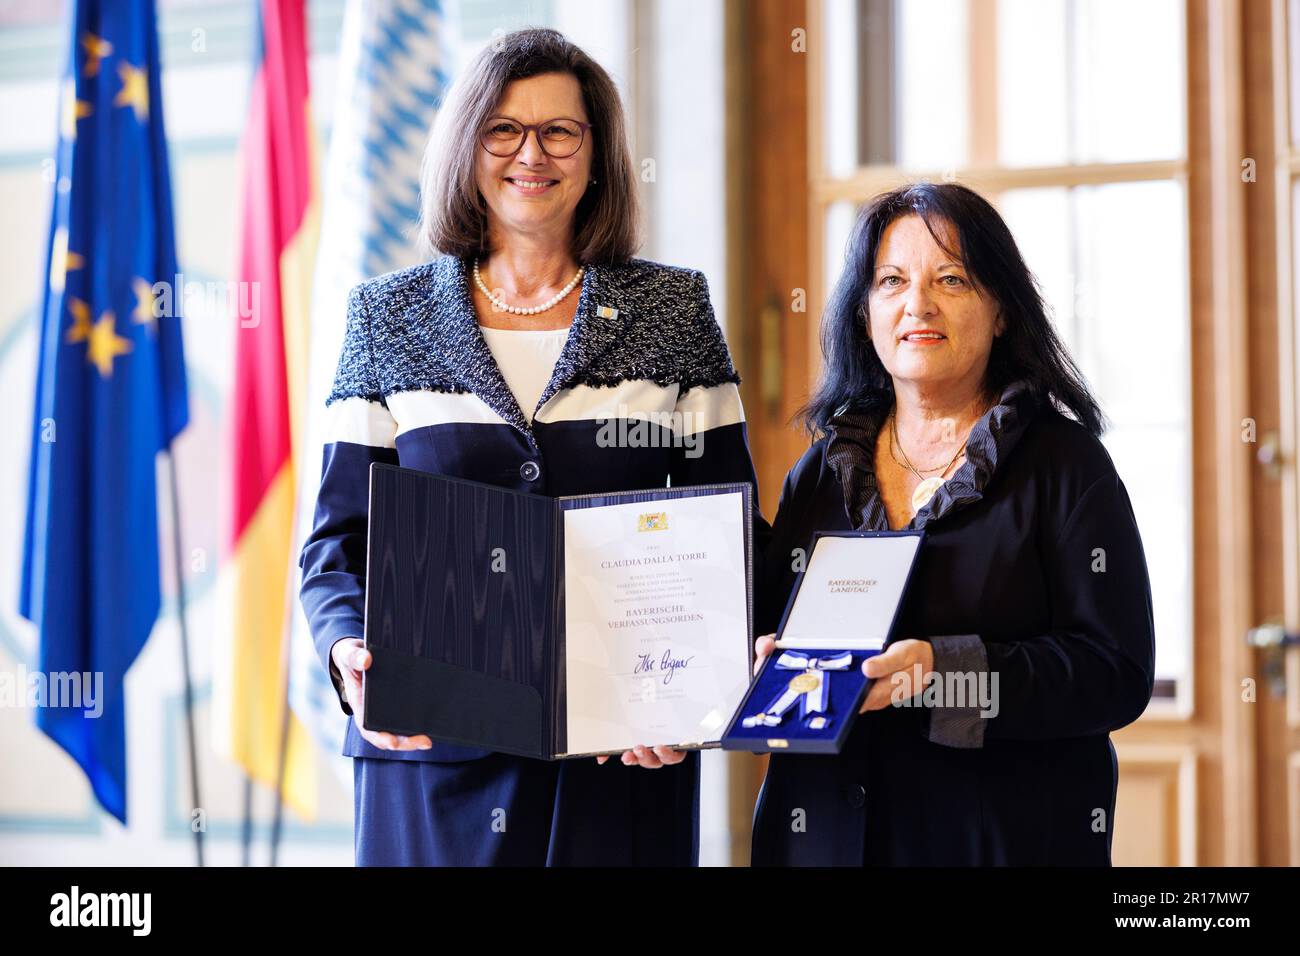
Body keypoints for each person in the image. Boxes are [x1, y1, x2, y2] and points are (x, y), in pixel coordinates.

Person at [298, 28, 761, 866]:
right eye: (503, 129)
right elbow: (334, 546)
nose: (531, 154)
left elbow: (729, 538)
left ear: (596, 153)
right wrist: (344, 653)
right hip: (429, 758)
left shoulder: (674, 309)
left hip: (623, 763)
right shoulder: (386, 318)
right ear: (468, 146)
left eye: (560, 131)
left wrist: (695, 693)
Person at [750, 182, 1155, 865]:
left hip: (998, 842)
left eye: (951, 279)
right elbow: (767, 637)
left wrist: (944, 673)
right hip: (822, 839)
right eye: (891, 281)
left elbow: (1114, 671)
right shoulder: (819, 473)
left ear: (1001, 311)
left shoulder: (1065, 466)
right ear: (865, 313)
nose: (918, 305)